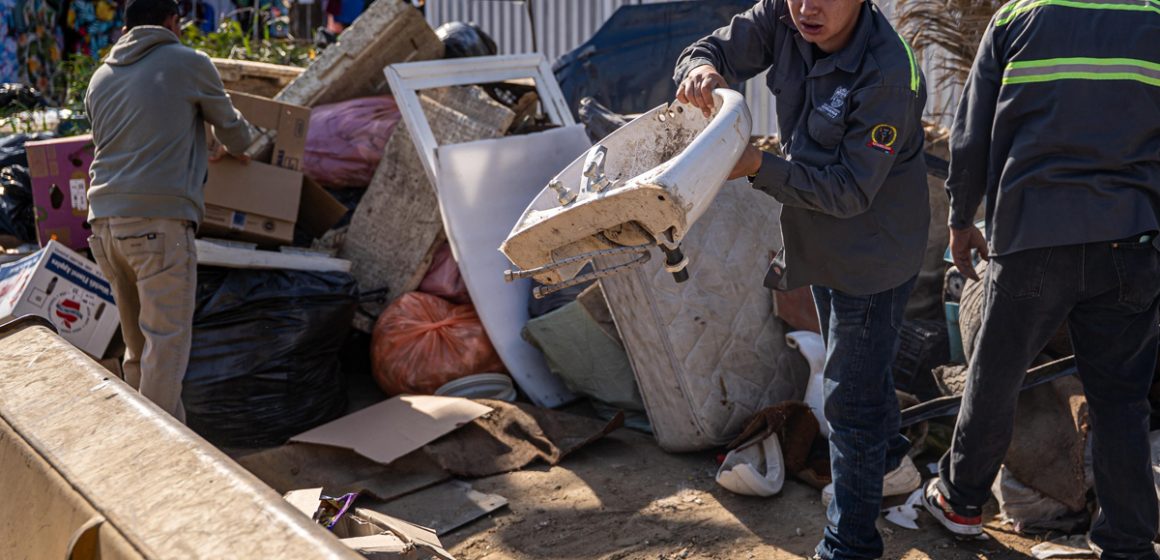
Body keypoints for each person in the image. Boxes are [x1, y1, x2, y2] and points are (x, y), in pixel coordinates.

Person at [674, 0, 929, 557]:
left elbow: (848, 190)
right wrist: (702, 69)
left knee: (849, 400)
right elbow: (712, 48)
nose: (808, 8)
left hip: (874, 252)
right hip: (819, 238)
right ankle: (889, 465)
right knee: (860, 368)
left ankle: (849, 546)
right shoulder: (784, 16)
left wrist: (757, 167)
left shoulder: (887, 72)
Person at [921, 4, 1160, 557]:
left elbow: (971, 132)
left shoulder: (1017, 19)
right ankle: (1128, 541)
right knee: (1122, 401)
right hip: (1129, 241)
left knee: (995, 377)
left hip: (1033, 236)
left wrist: (961, 220)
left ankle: (960, 502)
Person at [85, 0, 254, 422]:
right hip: (156, 226)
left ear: (127, 26)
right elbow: (236, 134)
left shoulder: (101, 77)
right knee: (165, 351)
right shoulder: (188, 61)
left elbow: (144, 131)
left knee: (138, 352)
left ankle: (155, 448)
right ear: (172, 22)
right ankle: (152, 462)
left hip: (104, 227)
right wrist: (233, 144)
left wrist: (203, 144)